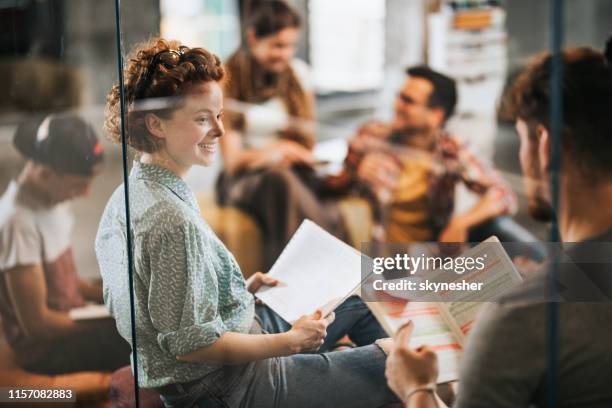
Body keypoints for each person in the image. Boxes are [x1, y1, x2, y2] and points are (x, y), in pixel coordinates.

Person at [98, 38, 398, 408]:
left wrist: (234, 289)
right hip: (231, 388)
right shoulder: (169, 219)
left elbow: (153, 302)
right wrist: (290, 343)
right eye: (202, 119)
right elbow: (193, 346)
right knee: (400, 361)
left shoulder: (133, 192)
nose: (220, 131)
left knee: (362, 289)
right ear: (156, 124)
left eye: (219, 116)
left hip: (234, 337)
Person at [385, 38, 612, 407]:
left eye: (521, 138)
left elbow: (500, 193)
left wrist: (417, 389)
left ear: (546, 145)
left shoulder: (519, 318)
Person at [342, 66, 539, 251]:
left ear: (436, 115)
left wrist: (461, 222)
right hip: (373, 254)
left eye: (407, 100)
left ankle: (550, 271)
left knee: (498, 227)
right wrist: (355, 172)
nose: (397, 105)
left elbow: (504, 195)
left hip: (426, 255)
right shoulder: (372, 136)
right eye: (398, 97)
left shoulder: (450, 150)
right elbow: (328, 188)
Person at [217, 0, 348, 270]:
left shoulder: (299, 75)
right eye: (277, 45)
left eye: (290, 46)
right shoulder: (228, 79)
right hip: (245, 178)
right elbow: (232, 162)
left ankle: (320, 270)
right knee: (282, 181)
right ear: (253, 37)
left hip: (292, 172)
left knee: (313, 186)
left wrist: (293, 154)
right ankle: (321, 267)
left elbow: (307, 142)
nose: (285, 54)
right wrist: (275, 152)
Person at [0, 113, 130, 374]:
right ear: (46, 173)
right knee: (134, 340)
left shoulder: (51, 201)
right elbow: (37, 325)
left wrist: (117, 295)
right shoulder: (18, 222)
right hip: (46, 352)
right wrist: (105, 322)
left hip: (70, 322)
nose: (85, 193)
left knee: (140, 322)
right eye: (79, 185)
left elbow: (66, 282)